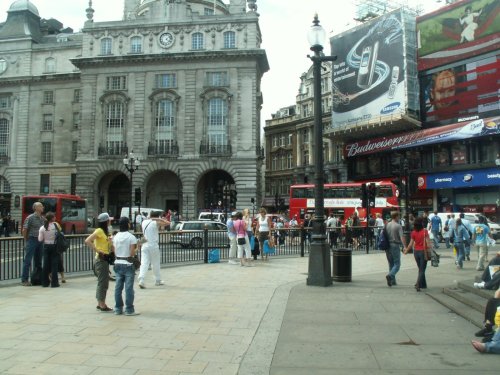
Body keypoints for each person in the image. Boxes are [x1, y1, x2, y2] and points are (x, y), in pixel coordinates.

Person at [85, 212, 114, 312]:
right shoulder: (99, 231)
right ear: (106, 221)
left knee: (103, 281)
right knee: (103, 282)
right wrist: (97, 250)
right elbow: (87, 240)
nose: (110, 221)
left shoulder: (105, 231)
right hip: (101, 259)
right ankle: (102, 304)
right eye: (109, 220)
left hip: (105, 258)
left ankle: (100, 303)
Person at [113, 217, 139, 316]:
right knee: (129, 288)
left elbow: (114, 251)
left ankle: (118, 308)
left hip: (118, 262)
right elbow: (132, 253)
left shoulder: (116, 236)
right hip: (128, 263)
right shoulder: (131, 237)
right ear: (128, 224)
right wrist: (138, 248)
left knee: (118, 287)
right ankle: (129, 309)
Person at [137, 210, 169, 288]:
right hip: (153, 245)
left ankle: (141, 280)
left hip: (145, 244)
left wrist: (155, 219)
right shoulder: (155, 223)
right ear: (157, 216)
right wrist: (160, 219)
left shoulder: (144, 222)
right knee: (155, 263)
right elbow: (168, 223)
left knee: (144, 263)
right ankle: (157, 280)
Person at [21, 202, 45, 286]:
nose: (43, 207)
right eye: (41, 206)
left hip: (40, 241)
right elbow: (24, 230)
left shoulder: (42, 218)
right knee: (27, 260)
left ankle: (37, 278)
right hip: (32, 240)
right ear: (36, 208)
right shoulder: (30, 217)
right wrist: (26, 240)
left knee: (38, 261)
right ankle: (24, 280)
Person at [404, 217, 431, 292]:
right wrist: (431, 250)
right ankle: (418, 284)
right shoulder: (425, 231)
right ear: (422, 223)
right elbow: (428, 243)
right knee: (422, 269)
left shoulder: (413, 232)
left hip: (416, 252)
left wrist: (406, 250)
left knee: (420, 269)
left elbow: (410, 244)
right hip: (423, 252)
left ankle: (423, 284)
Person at [37, 212, 60, 288]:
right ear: (52, 218)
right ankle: (54, 283)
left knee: (45, 264)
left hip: (46, 246)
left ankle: (45, 282)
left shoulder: (42, 227)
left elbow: (40, 239)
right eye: (54, 217)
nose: (55, 218)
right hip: (54, 246)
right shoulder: (55, 225)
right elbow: (59, 234)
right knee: (54, 265)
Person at [385, 211, 407, 287]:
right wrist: (405, 246)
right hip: (395, 245)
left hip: (387, 246)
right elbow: (402, 237)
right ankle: (390, 275)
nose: (399, 218)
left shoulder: (387, 225)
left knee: (391, 263)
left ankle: (392, 281)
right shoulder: (398, 226)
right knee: (397, 264)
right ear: (396, 216)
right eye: (399, 216)